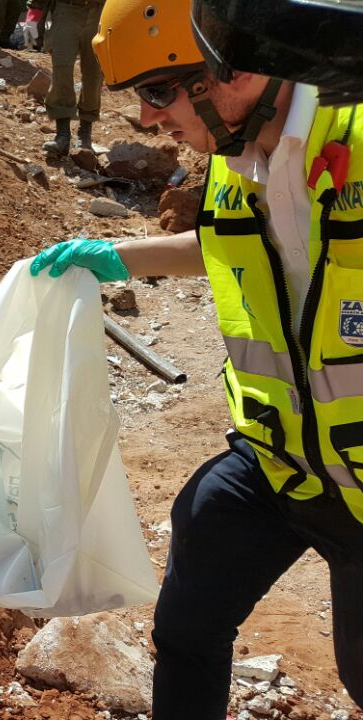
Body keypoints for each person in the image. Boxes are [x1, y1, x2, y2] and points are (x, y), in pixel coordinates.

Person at [30, 0, 363, 715]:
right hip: (283, 464)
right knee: (189, 608)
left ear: (230, 71)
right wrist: (110, 257)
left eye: (158, 91)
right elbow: (226, 244)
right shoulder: (237, 157)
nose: (149, 121)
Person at [40, 0, 103, 156]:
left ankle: (84, 135)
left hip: (99, 12)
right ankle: (62, 135)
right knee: (62, 70)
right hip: (66, 10)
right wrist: (33, 14)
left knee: (94, 75)